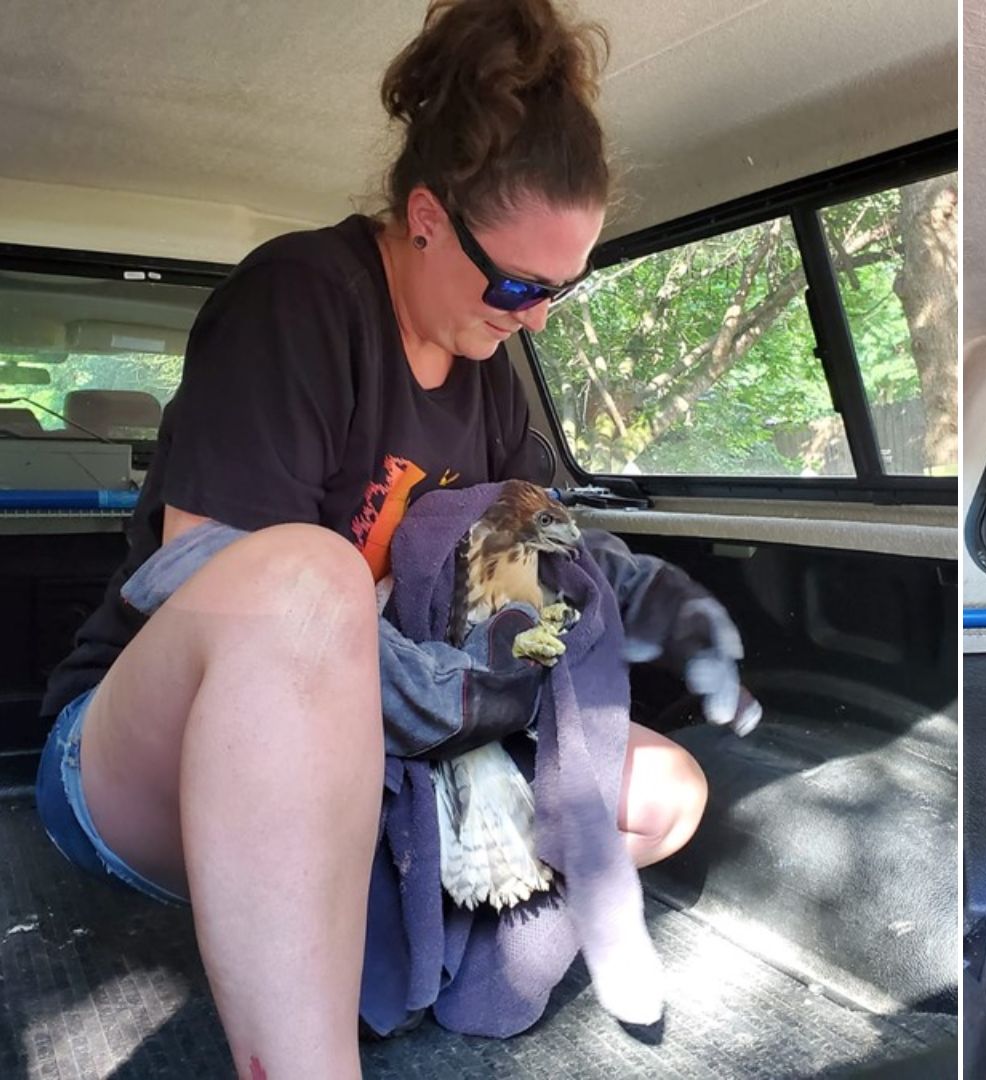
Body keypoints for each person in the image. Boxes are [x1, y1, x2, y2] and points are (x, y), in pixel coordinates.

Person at [33, 1, 730, 1075]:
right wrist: (442, 699)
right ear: (425, 217)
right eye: (517, 285)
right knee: (303, 577)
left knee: (664, 793)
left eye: (562, 289)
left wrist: (636, 601)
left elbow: (523, 568)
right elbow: (197, 572)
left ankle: (425, 924)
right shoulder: (301, 301)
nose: (536, 316)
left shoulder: (497, 381)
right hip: (138, 764)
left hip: (401, 763)